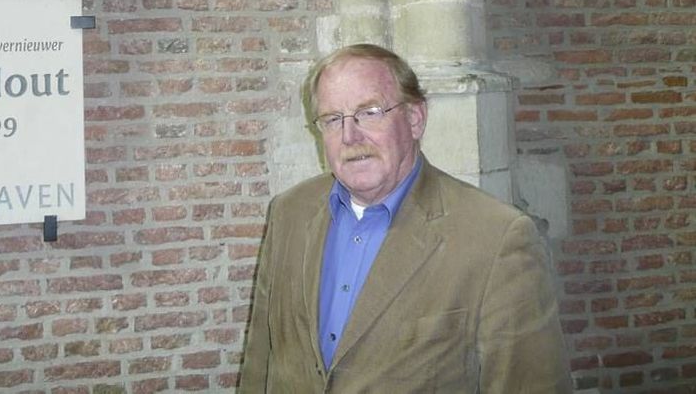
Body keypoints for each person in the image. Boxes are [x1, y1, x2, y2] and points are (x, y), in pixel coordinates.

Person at [238, 44, 572, 392]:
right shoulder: (288, 213)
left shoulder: (497, 239)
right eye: (333, 119)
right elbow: (261, 360)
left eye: (370, 112)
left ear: (415, 119)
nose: (350, 136)